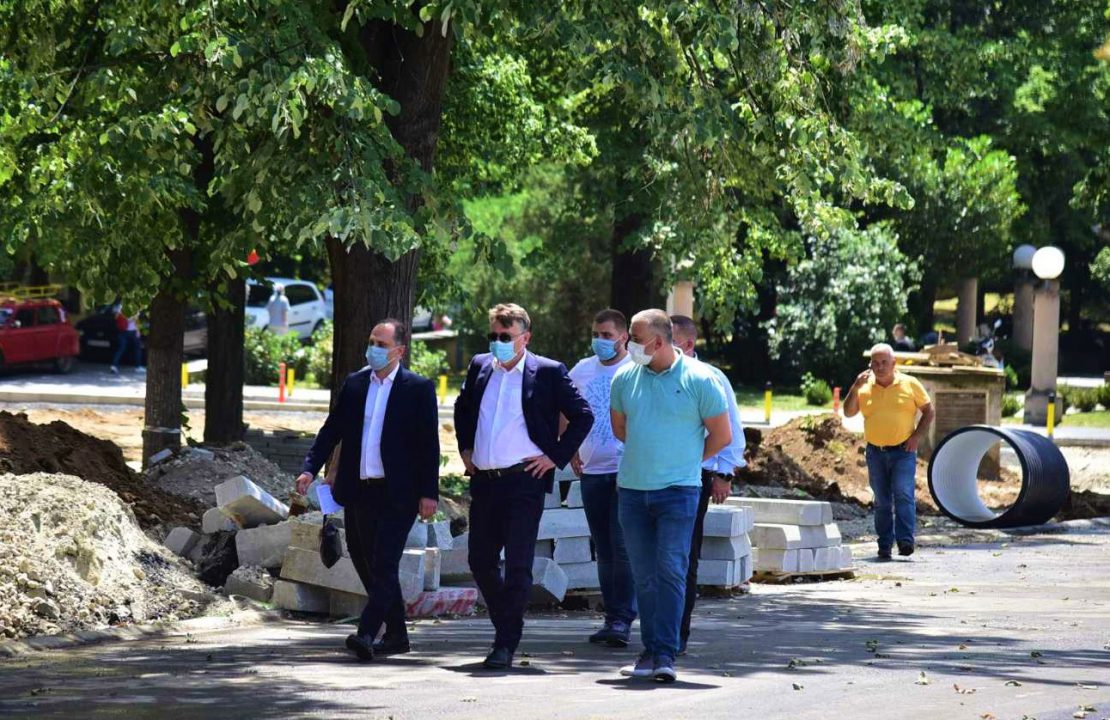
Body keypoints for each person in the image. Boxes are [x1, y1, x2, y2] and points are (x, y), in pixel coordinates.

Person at [453, 303, 593, 669]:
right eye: (493, 335)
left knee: (517, 564)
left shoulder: (547, 372)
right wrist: (465, 448)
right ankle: (508, 623)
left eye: (506, 336)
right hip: (485, 481)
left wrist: (554, 457)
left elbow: (583, 415)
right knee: (479, 560)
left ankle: (505, 643)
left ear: (525, 337)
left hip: (523, 481)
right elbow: (462, 408)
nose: (498, 342)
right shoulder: (481, 365)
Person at [295, 319, 440, 661]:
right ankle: (398, 635)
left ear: (399, 351)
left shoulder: (418, 389)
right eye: (372, 341)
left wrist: (429, 493)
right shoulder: (356, 384)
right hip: (359, 490)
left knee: (385, 562)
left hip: (399, 493)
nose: (373, 348)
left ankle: (366, 632)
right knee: (364, 560)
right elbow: (331, 430)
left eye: (381, 344)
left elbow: (428, 445)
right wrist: (309, 468)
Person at [609, 310, 731, 683]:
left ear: (659, 342)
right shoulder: (624, 378)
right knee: (644, 575)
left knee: (672, 570)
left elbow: (722, 435)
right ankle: (651, 651)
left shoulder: (701, 379)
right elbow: (621, 429)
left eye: (634, 338)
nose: (628, 344)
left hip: (679, 492)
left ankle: (665, 653)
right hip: (633, 492)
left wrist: (685, 460)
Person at [669, 315, 746, 655]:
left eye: (667, 339)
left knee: (685, 554)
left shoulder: (710, 377)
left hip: (694, 475)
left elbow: (730, 432)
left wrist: (723, 473)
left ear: (687, 344)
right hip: (652, 474)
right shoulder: (646, 375)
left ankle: (677, 633)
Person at [567, 309, 636, 648]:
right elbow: (564, 409)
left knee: (622, 547)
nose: (600, 341)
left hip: (627, 471)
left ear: (624, 337)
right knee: (604, 548)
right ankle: (611, 617)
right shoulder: (582, 370)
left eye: (607, 335)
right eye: (596, 334)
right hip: (592, 471)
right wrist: (569, 447)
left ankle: (623, 617)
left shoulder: (635, 369)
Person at [843, 344, 935, 560]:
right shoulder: (864, 387)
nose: (880, 367)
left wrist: (916, 437)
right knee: (882, 500)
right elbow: (848, 412)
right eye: (875, 363)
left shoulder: (910, 383)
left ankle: (905, 540)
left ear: (894, 363)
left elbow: (929, 411)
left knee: (903, 493)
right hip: (875, 452)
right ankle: (884, 544)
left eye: (884, 362)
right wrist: (854, 387)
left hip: (903, 450)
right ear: (870, 365)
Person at [110, 306, 143, 375]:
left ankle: (114, 366)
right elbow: (136, 320)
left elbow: (116, 318)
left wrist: (122, 316)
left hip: (123, 331)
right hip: (131, 331)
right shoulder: (134, 307)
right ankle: (138, 366)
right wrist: (138, 331)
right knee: (136, 349)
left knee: (121, 349)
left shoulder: (120, 307)